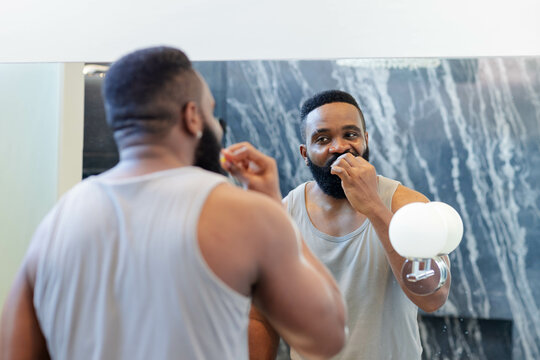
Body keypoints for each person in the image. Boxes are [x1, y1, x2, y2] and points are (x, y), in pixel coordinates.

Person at [0, 47, 347, 360]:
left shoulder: (57, 220)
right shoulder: (241, 213)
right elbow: (327, 335)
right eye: (212, 113)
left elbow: (14, 351)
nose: (215, 125)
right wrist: (274, 208)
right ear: (192, 117)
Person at [222, 90, 451, 359]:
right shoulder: (287, 212)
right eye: (323, 139)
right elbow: (260, 318)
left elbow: (434, 297)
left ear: (366, 141)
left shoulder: (408, 206)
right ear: (305, 153)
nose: (339, 147)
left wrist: (374, 207)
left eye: (350, 134)